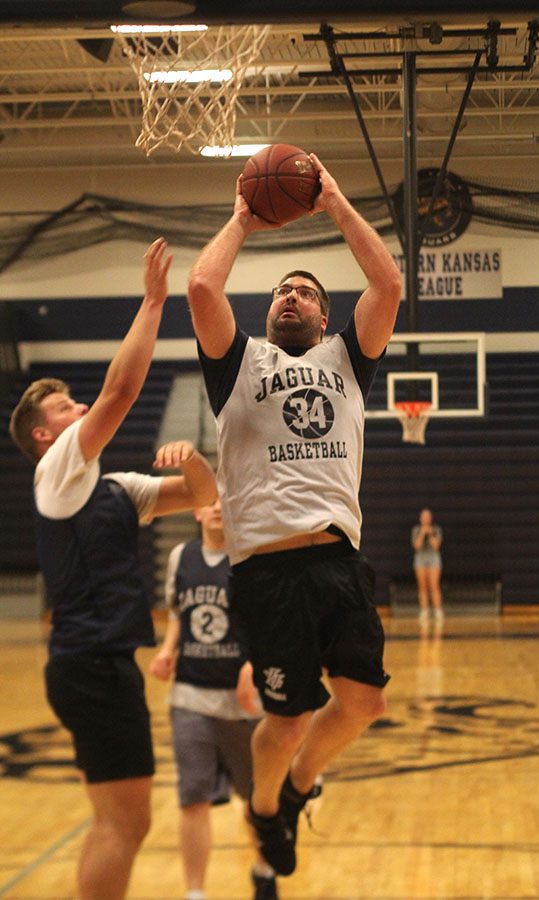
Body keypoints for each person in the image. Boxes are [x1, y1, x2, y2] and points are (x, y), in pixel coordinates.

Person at [186, 153, 402, 877]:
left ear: (324, 316)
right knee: (283, 720)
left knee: (365, 703)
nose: (291, 297)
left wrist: (334, 199)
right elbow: (200, 284)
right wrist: (246, 216)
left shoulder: (348, 362)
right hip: (268, 569)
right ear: (268, 311)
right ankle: (266, 808)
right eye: (281, 291)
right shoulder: (238, 363)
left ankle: (304, 782)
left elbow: (390, 282)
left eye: (305, 293)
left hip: (338, 559)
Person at [8, 237, 217, 900]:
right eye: (65, 410)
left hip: (96, 665)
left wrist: (191, 459)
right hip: (90, 665)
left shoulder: (113, 488)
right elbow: (121, 390)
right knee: (124, 822)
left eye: (75, 407)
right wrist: (153, 302)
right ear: (45, 435)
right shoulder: (56, 471)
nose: (78, 415)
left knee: (119, 821)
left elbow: (203, 498)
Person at [149, 498, 278, 900]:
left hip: (244, 702)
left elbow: (272, 620)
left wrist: (254, 664)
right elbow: (177, 614)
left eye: (226, 500)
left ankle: (265, 868)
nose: (219, 507)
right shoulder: (180, 557)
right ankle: (195, 892)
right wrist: (168, 650)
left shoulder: (252, 556)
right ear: (197, 512)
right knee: (193, 798)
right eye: (210, 502)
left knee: (256, 799)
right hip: (190, 694)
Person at [412, 508, 444, 623]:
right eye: (423, 517)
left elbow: (436, 546)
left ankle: (438, 610)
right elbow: (417, 546)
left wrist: (430, 534)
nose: (425, 519)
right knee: (422, 586)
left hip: (433, 558)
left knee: (434, 585)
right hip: (420, 558)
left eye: (427, 517)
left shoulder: (436, 529)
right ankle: (424, 610)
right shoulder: (416, 530)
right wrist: (422, 533)